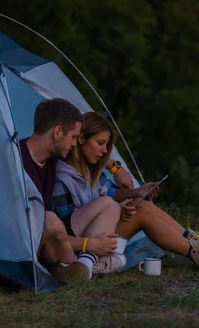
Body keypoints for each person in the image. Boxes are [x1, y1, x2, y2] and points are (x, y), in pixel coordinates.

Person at [53, 111, 199, 272]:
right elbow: (68, 227)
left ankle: (196, 243)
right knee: (141, 214)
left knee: (142, 204)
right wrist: (115, 211)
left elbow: (110, 193)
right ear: (81, 138)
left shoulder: (88, 170)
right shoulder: (63, 178)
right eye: (100, 143)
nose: (105, 151)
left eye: (106, 145)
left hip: (96, 231)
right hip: (82, 247)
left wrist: (137, 192)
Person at [21, 98, 124, 283]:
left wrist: (115, 167)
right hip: (22, 239)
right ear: (58, 132)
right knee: (49, 219)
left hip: (51, 239)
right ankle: (76, 267)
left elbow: (92, 153)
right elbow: (27, 226)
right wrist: (91, 244)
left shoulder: (52, 160)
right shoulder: (16, 159)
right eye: (74, 137)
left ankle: (81, 267)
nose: (76, 144)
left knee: (110, 205)